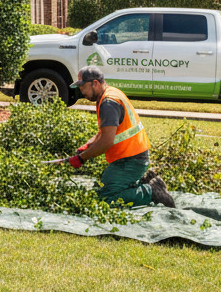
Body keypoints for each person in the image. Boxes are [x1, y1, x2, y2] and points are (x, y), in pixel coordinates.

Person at [62, 66, 175, 208]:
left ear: (95, 83)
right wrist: (88, 145)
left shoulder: (109, 103)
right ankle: (144, 182)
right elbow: (104, 131)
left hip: (131, 160)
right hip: (128, 156)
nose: (81, 91)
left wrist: (82, 158)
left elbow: (107, 141)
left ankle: (150, 191)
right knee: (106, 187)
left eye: (83, 86)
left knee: (107, 198)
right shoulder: (109, 94)